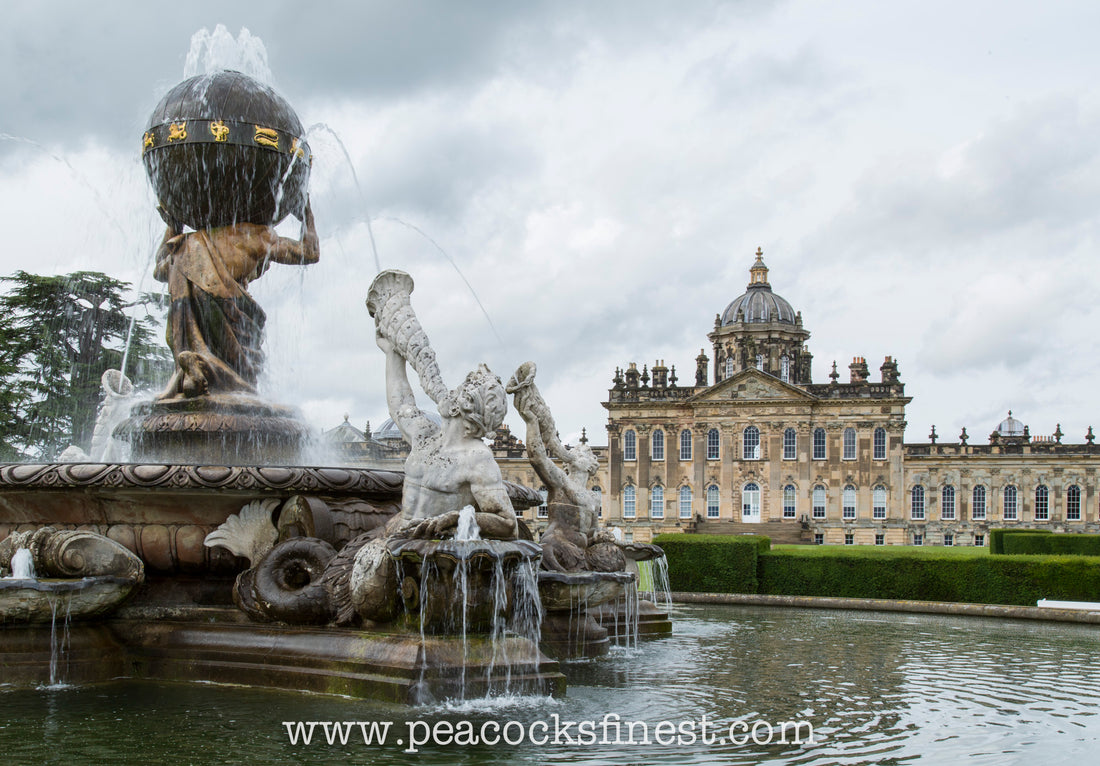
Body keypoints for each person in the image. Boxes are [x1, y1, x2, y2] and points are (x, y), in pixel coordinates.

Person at [152, 201, 319, 399]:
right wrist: (307, 214)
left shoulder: (186, 245)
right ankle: (206, 366)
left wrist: (173, 227)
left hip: (186, 308)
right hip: (227, 306)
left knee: (190, 340)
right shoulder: (258, 236)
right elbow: (310, 253)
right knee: (244, 374)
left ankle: (194, 367)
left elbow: (159, 270)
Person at [376, 332, 518, 540]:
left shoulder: (476, 458)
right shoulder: (426, 436)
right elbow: (401, 404)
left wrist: (457, 518)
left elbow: (508, 524)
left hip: (433, 550)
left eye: (456, 391)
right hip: (398, 538)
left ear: (460, 407)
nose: (449, 393)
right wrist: (392, 354)